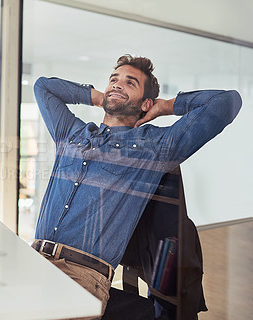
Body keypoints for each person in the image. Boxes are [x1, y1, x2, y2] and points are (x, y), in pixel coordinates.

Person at [31, 54, 242, 319]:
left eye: (130, 83)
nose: (117, 85)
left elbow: (226, 102)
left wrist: (166, 106)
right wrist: (99, 97)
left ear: (145, 103)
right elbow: (43, 87)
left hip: (82, 278)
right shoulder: (72, 133)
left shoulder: (155, 147)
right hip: (34, 260)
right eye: (113, 80)